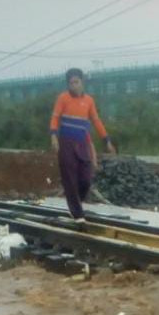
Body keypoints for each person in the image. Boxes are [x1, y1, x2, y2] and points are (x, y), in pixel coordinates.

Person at [50, 67, 115, 224]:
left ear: (82, 82)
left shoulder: (89, 101)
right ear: (68, 84)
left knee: (85, 178)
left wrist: (106, 140)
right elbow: (55, 117)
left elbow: (96, 121)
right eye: (71, 83)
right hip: (66, 144)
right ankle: (77, 214)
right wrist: (53, 135)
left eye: (76, 82)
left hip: (82, 143)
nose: (74, 85)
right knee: (70, 179)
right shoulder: (63, 98)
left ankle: (76, 203)